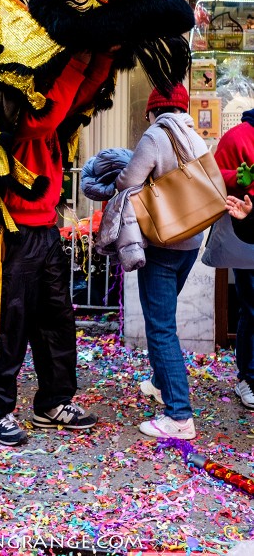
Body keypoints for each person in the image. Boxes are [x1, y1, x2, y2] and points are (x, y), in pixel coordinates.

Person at [0, 49, 116, 447]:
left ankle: (53, 402)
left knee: (57, 318)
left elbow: (82, 96)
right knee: (10, 322)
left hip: (47, 230)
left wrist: (105, 51)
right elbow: (46, 119)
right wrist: (78, 58)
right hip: (13, 229)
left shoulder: (56, 106)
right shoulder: (12, 103)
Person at [116, 84, 208, 440]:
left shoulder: (156, 135)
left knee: (160, 326)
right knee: (163, 318)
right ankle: (158, 381)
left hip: (162, 242)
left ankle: (179, 416)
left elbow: (129, 180)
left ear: (151, 112)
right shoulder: (192, 134)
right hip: (190, 243)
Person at [214, 110, 254, 410]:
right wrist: (235, 180)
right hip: (246, 236)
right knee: (252, 307)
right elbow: (212, 179)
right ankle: (248, 377)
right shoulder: (236, 137)